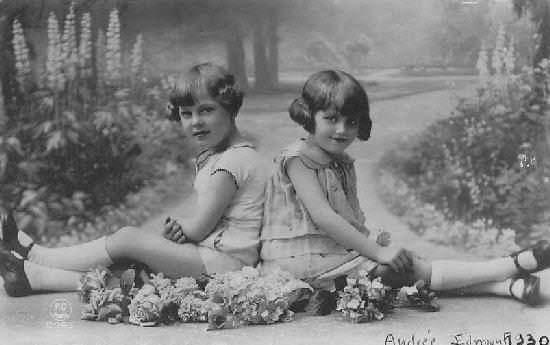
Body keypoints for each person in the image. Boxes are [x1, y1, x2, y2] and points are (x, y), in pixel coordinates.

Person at [260, 69, 550, 306]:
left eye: (351, 122)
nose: (342, 130)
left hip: (331, 252)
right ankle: (508, 266)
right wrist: (377, 251)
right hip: (301, 260)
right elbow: (324, 217)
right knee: (395, 269)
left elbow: (351, 218)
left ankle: (506, 286)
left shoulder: (340, 162)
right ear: (310, 116)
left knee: (402, 266)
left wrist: (378, 245)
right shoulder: (298, 159)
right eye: (331, 119)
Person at [0, 62, 267, 297]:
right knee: (129, 272)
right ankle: (31, 277)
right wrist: (175, 235)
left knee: (128, 239)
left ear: (231, 109)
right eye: (187, 114)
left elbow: (198, 230)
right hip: (215, 260)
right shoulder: (222, 156)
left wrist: (180, 228)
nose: (196, 122)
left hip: (224, 265)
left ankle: (38, 255)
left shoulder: (233, 162)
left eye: (206, 110)